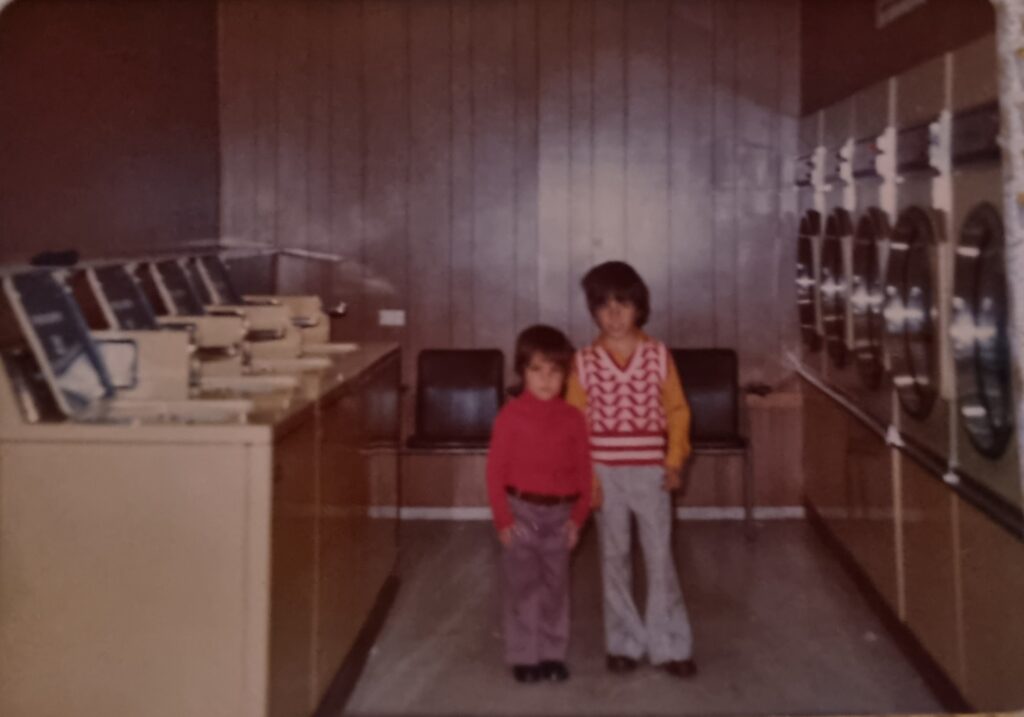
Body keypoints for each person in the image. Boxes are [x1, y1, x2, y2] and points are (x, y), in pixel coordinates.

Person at [566, 260, 697, 678]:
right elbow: (575, 424)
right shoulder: (584, 362)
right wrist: (587, 478)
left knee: (660, 557)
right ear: (593, 312)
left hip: (650, 473)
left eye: (622, 305)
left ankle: (671, 644)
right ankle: (622, 642)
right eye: (604, 307)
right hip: (605, 473)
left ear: (639, 308)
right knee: (614, 555)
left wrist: (674, 460)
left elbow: (677, 411)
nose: (614, 315)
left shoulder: (658, 355)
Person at [486, 325, 593, 684]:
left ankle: (551, 654)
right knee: (523, 586)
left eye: (554, 371)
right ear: (522, 372)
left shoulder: (573, 419)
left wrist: (578, 518)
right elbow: (494, 473)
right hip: (521, 513)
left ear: (565, 375)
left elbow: (584, 471)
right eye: (536, 370)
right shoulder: (510, 416)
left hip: (561, 515)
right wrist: (502, 520)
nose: (546, 380)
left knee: (555, 586)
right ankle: (524, 655)